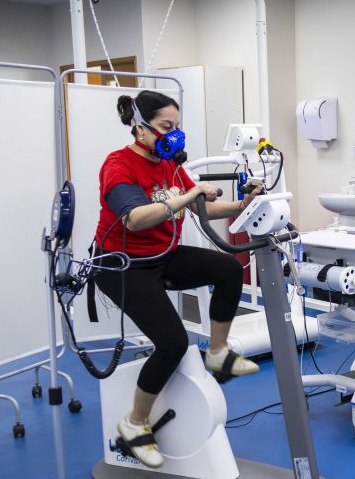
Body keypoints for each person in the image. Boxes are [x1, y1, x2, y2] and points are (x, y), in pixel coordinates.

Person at [92, 90, 261, 467]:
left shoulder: (168, 163)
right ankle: (134, 425)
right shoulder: (118, 165)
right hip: (122, 265)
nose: (174, 136)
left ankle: (217, 354)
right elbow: (135, 218)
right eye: (166, 127)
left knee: (229, 269)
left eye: (178, 127)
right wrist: (191, 194)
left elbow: (199, 204)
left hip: (160, 256)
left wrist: (240, 205)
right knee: (172, 342)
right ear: (140, 128)